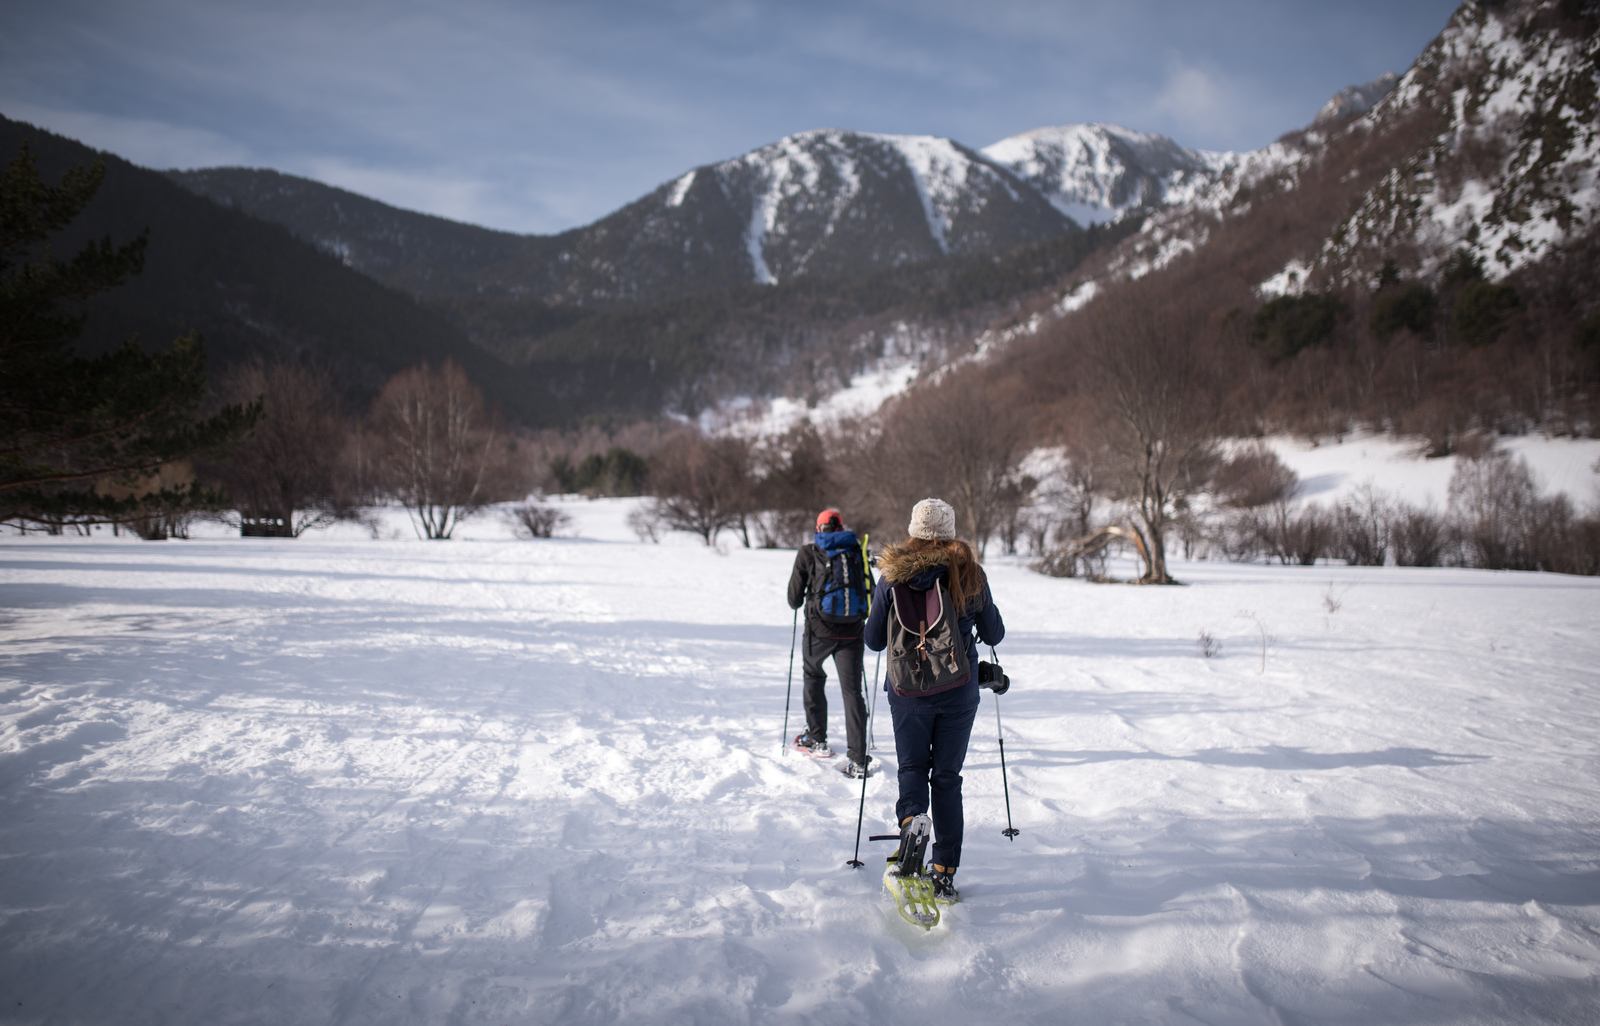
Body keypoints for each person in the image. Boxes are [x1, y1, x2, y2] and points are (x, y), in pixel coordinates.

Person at [864, 497, 1004, 901]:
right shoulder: (969, 572)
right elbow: (993, 634)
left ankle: (912, 823)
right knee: (946, 778)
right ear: (950, 530)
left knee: (911, 767)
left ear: (914, 531)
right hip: (959, 692)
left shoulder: (892, 575)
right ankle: (943, 873)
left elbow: (873, 641)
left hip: (907, 691)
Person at [787, 508, 872, 777]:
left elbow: (793, 599)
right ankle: (858, 759)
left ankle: (816, 738)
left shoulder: (809, 552)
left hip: (819, 632)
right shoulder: (856, 549)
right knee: (852, 692)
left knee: (813, 675)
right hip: (852, 631)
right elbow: (868, 587)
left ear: (819, 528)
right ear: (841, 527)